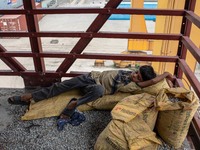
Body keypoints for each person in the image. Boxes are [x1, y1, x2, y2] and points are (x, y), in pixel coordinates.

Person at [8, 65, 174, 119]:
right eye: (137, 72)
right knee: (61, 86)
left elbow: (152, 82)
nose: (135, 75)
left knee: (100, 89)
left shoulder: (134, 85)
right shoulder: (128, 71)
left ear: (140, 81)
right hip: (89, 78)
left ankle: (74, 105)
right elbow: (146, 75)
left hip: (95, 88)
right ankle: (29, 97)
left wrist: (166, 74)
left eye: (138, 77)